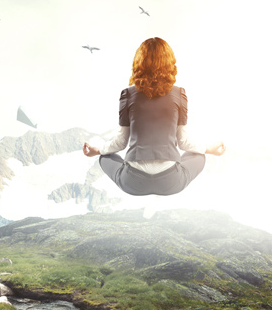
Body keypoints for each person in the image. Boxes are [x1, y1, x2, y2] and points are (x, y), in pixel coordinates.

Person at [83, 37, 226, 196]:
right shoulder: (179, 95)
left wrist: (96, 150)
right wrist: (209, 150)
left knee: (105, 157)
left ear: (138, 63)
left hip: (133, 182)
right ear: (170, 63)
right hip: (170, 182)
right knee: (199, 156)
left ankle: (118, 167)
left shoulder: (127, 95)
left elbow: (120, 143)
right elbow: (184, 142)